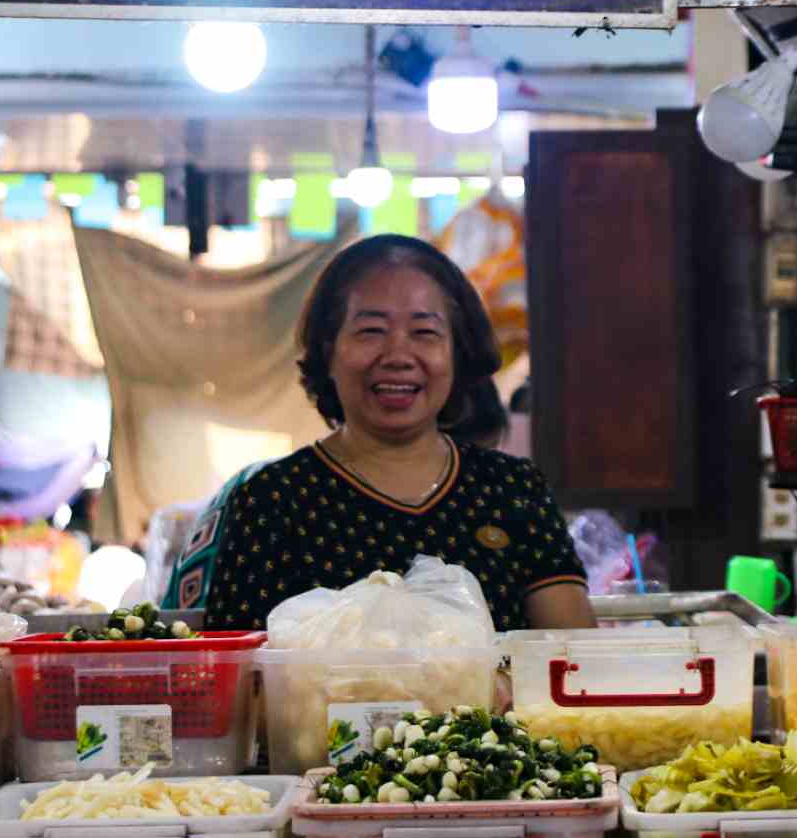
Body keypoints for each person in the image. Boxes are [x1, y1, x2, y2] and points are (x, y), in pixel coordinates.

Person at [185, 234, 595, 632]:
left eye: (425, 333)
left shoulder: (513, 489)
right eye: (371, 331)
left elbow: (572, 658)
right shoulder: (271, 501)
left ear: (456, 351)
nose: (398, 356)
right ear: (327, 351)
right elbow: (241, 678)